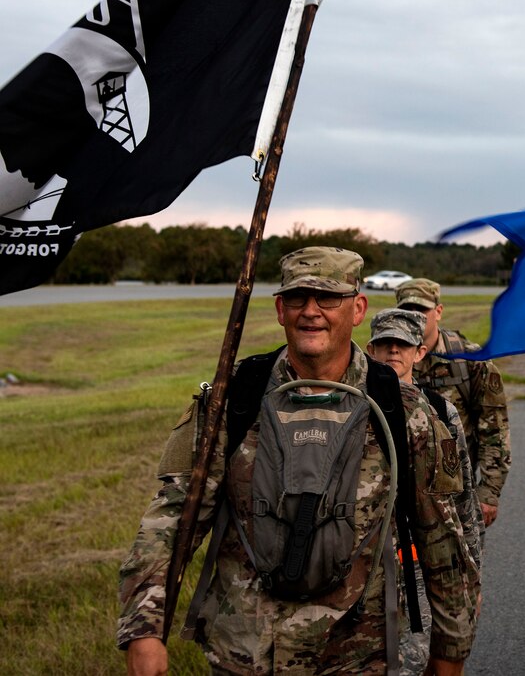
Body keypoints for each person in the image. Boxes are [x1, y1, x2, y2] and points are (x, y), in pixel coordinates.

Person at [117, 247, 479, 676]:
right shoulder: (234, 401)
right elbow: (173, 517)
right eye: (297, 298)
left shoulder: (403, 411)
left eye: (327, 298)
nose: (311, 312)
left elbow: (445, 541)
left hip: (355, 656)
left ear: (358, 308)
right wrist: (144, 627)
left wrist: (450, 650)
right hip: (246, 655)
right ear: (279, 309)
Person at [366, 307, 484, 676]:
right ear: (370, 351)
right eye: (384, 344)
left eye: (401, 345)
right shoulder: (355, 404)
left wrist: (473, 574)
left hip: (422, 560)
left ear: (419, 352)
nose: (392, 353)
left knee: (423, 656)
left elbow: (462, 496)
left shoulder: (439, 410)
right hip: (368, 564)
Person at [395, 278, 510, 529]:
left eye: (421, 310)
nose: (414, 317)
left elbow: (495, 430)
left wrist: (489, 493)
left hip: (457, 494)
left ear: (438, 312)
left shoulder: (469, 361)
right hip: (398, 496)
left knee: (462, 566)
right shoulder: (386, 359)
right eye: (406, 311)